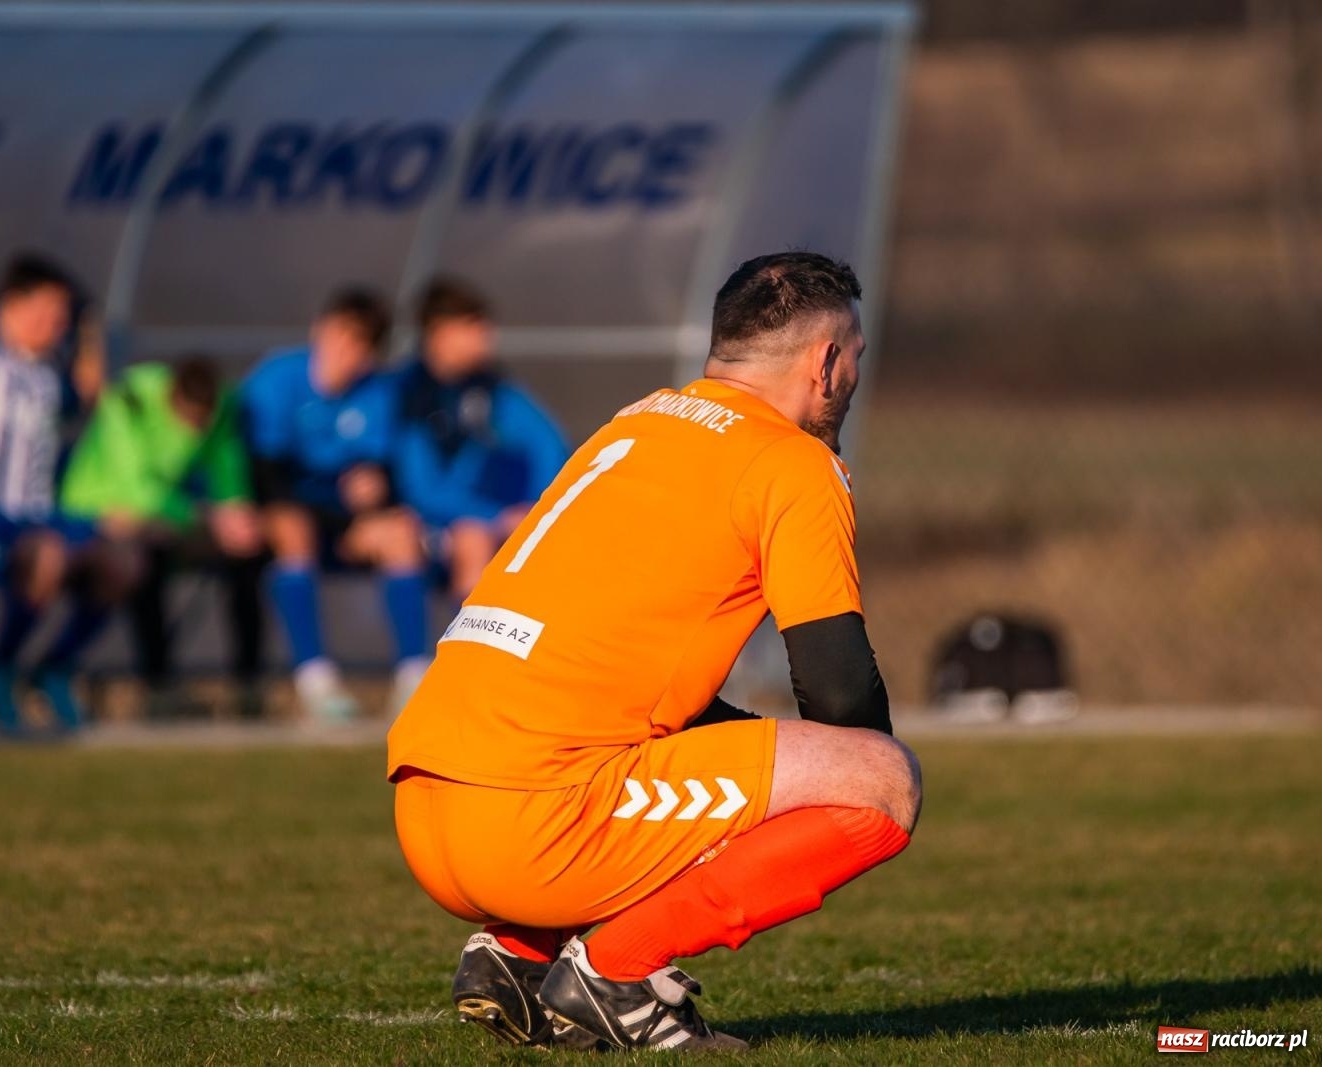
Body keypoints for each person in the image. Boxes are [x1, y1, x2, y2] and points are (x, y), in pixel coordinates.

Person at [388, 252, 923, 1051]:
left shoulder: (639, 420)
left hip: (424, 800)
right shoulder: (791, 461)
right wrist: (812, 770)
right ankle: (612, 968)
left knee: (704, 745)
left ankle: (522, 954)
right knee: (881, 781)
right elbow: (843, 699)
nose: (851, 378)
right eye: (855, 359)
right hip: (529, 825)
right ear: (826, 362)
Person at [0, 254, 130, 732]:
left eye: (63, 317)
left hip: (36, 516)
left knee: (123, 561)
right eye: (48, 313)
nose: (56, 326)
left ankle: (54, 668)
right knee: (45, 559)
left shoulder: (50, 371)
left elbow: (89, 393)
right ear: (11, 306)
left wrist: (89, 331)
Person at [240, 288, 429, 721]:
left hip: (343, 522)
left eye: (359, 343)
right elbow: (265, 475)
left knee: (400, 534)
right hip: (283, 515)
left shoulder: (377, 394)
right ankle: (316, 682)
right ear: (319, 331)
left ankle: (414, 680)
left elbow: (379, 467)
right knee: (292, 526)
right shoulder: (275, 379)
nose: (344, 352)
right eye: (339, 336)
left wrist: (374, 487)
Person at [60, 356, 264, 711]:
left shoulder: (223, 403)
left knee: (245, 551)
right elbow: (135, 486)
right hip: (92, 510)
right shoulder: (129, 398)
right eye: (190, 419)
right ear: (173, 399)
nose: (196, 430)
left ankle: (248, 683)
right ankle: (156, 683)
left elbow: (225, 458)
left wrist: (236, 508)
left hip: (167, 516)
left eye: (204, 422)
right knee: (143, 555)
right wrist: (204, 515)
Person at [395, 278, 569, 598]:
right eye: (473, 328)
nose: (487, 339)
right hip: (425, 522)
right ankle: (460, 646)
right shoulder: (407, 394)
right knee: (472, 540)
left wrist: (535, 509)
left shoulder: (491, 390)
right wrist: (494, 516)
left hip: (492, 517)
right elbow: (421, 489)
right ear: (440, 334)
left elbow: (548, 444)